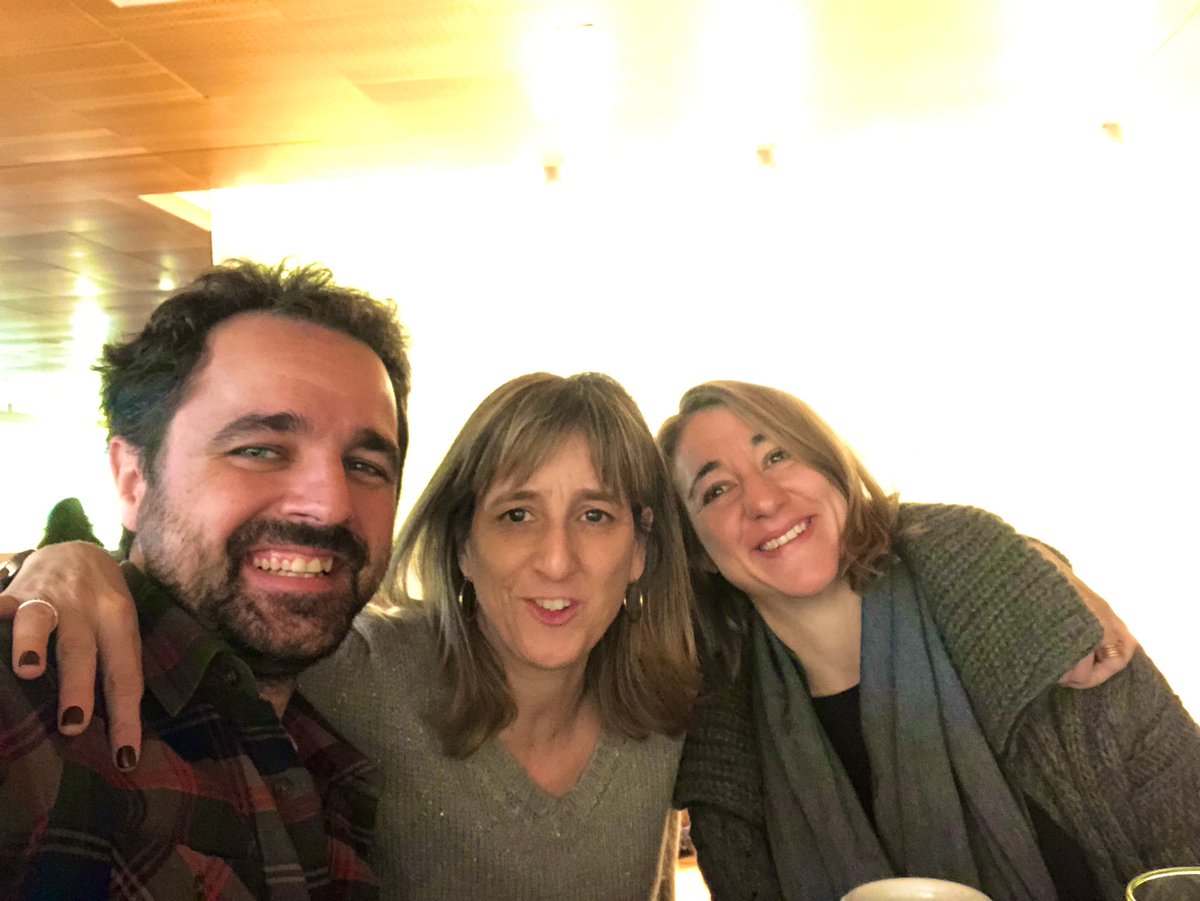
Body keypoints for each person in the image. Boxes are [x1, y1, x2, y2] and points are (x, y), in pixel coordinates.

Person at [3, 372, 699, 901]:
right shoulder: (360, 671)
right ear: (462, 544)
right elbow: (210, 617)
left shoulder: (674, 713)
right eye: (517, 514)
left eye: (596, 515)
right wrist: (75, 561)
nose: (556, 559)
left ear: (640, 548)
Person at [657, 380, 1200, 901]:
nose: (763, 500)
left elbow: (1179, 804)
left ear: (832, 468)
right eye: (716, 490)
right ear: (697, 551)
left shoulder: (1007, 593)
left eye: (777, 456)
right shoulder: (721, 738)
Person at [0, 260, 411, 898]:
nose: (330, 505)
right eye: (259, 450)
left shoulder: (335, 744)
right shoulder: (28, 703)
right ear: (132, 479)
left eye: (364, 465)